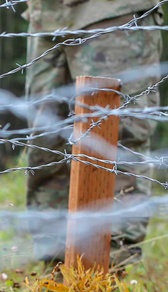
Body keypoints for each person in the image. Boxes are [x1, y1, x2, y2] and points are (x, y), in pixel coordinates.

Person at [24, 0, 162, 266]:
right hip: (47, 15)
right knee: (46, 139)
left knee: (114, 141)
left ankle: (109, 273)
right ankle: (56, 272)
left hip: (112, 11)